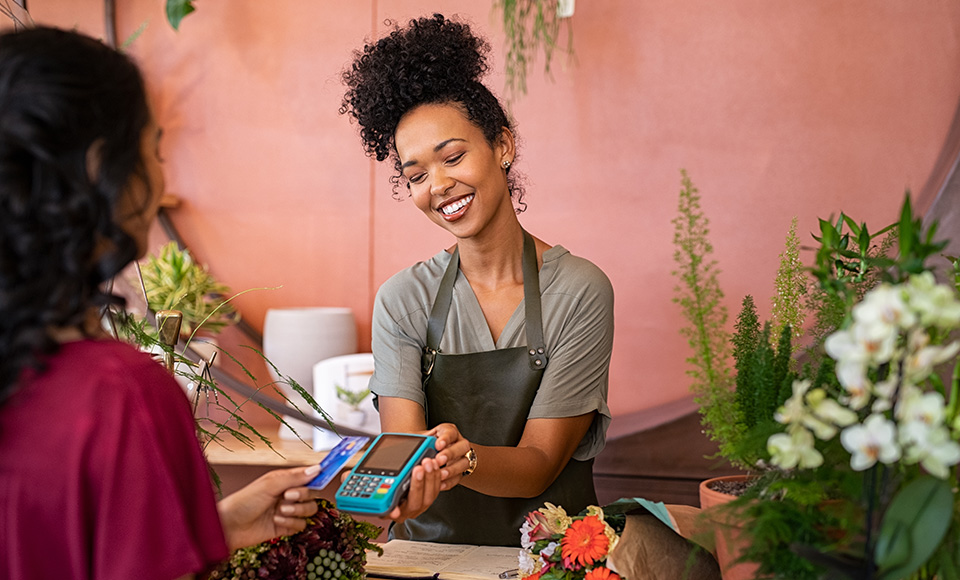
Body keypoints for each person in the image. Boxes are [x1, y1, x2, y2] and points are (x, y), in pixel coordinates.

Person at [0, 27, 323, 579]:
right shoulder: (122, 396)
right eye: (154, 150)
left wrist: (210, 529)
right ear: (104, 171)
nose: (160, 174)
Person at [340, 14, 615, 546]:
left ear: (503, 147)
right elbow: (401, 450)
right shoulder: (403, 300)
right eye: (416, 175)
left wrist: (459, 457)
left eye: (454, 156)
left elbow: (539, 462)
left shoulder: (580, 290)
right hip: (431, 557)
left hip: (555, 557)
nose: (439, 186)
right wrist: (399, 481)